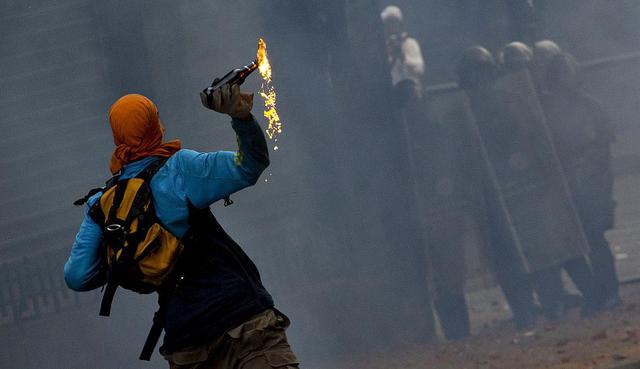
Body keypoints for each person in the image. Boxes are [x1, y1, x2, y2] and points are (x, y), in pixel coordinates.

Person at [64, 85, 300, 369]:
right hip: (244, 324)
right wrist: (241, 117)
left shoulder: (101, 204)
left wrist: (129, 252)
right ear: (154, 125)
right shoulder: (179, 169)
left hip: (187, 344)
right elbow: (250, 166)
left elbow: (77, 276)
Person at [542, 52, 620, 310]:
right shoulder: (547, 111)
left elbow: (604, 145)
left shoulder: (590, 106)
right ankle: (594, 293)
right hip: (563, 187)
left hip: (591, 185)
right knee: (568, 246)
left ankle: (609, 293)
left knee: (595, 239)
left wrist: (593, 175)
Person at [380, 5, 425, 106]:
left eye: (393, 23)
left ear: (400, 24)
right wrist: (391, 56)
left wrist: (403, 57)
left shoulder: (410, 44)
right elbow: (382, 75)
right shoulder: (382, 49)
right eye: (387, 24)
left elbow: (419, 70)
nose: (390, 27)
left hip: (413, 95)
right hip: (393, 98)